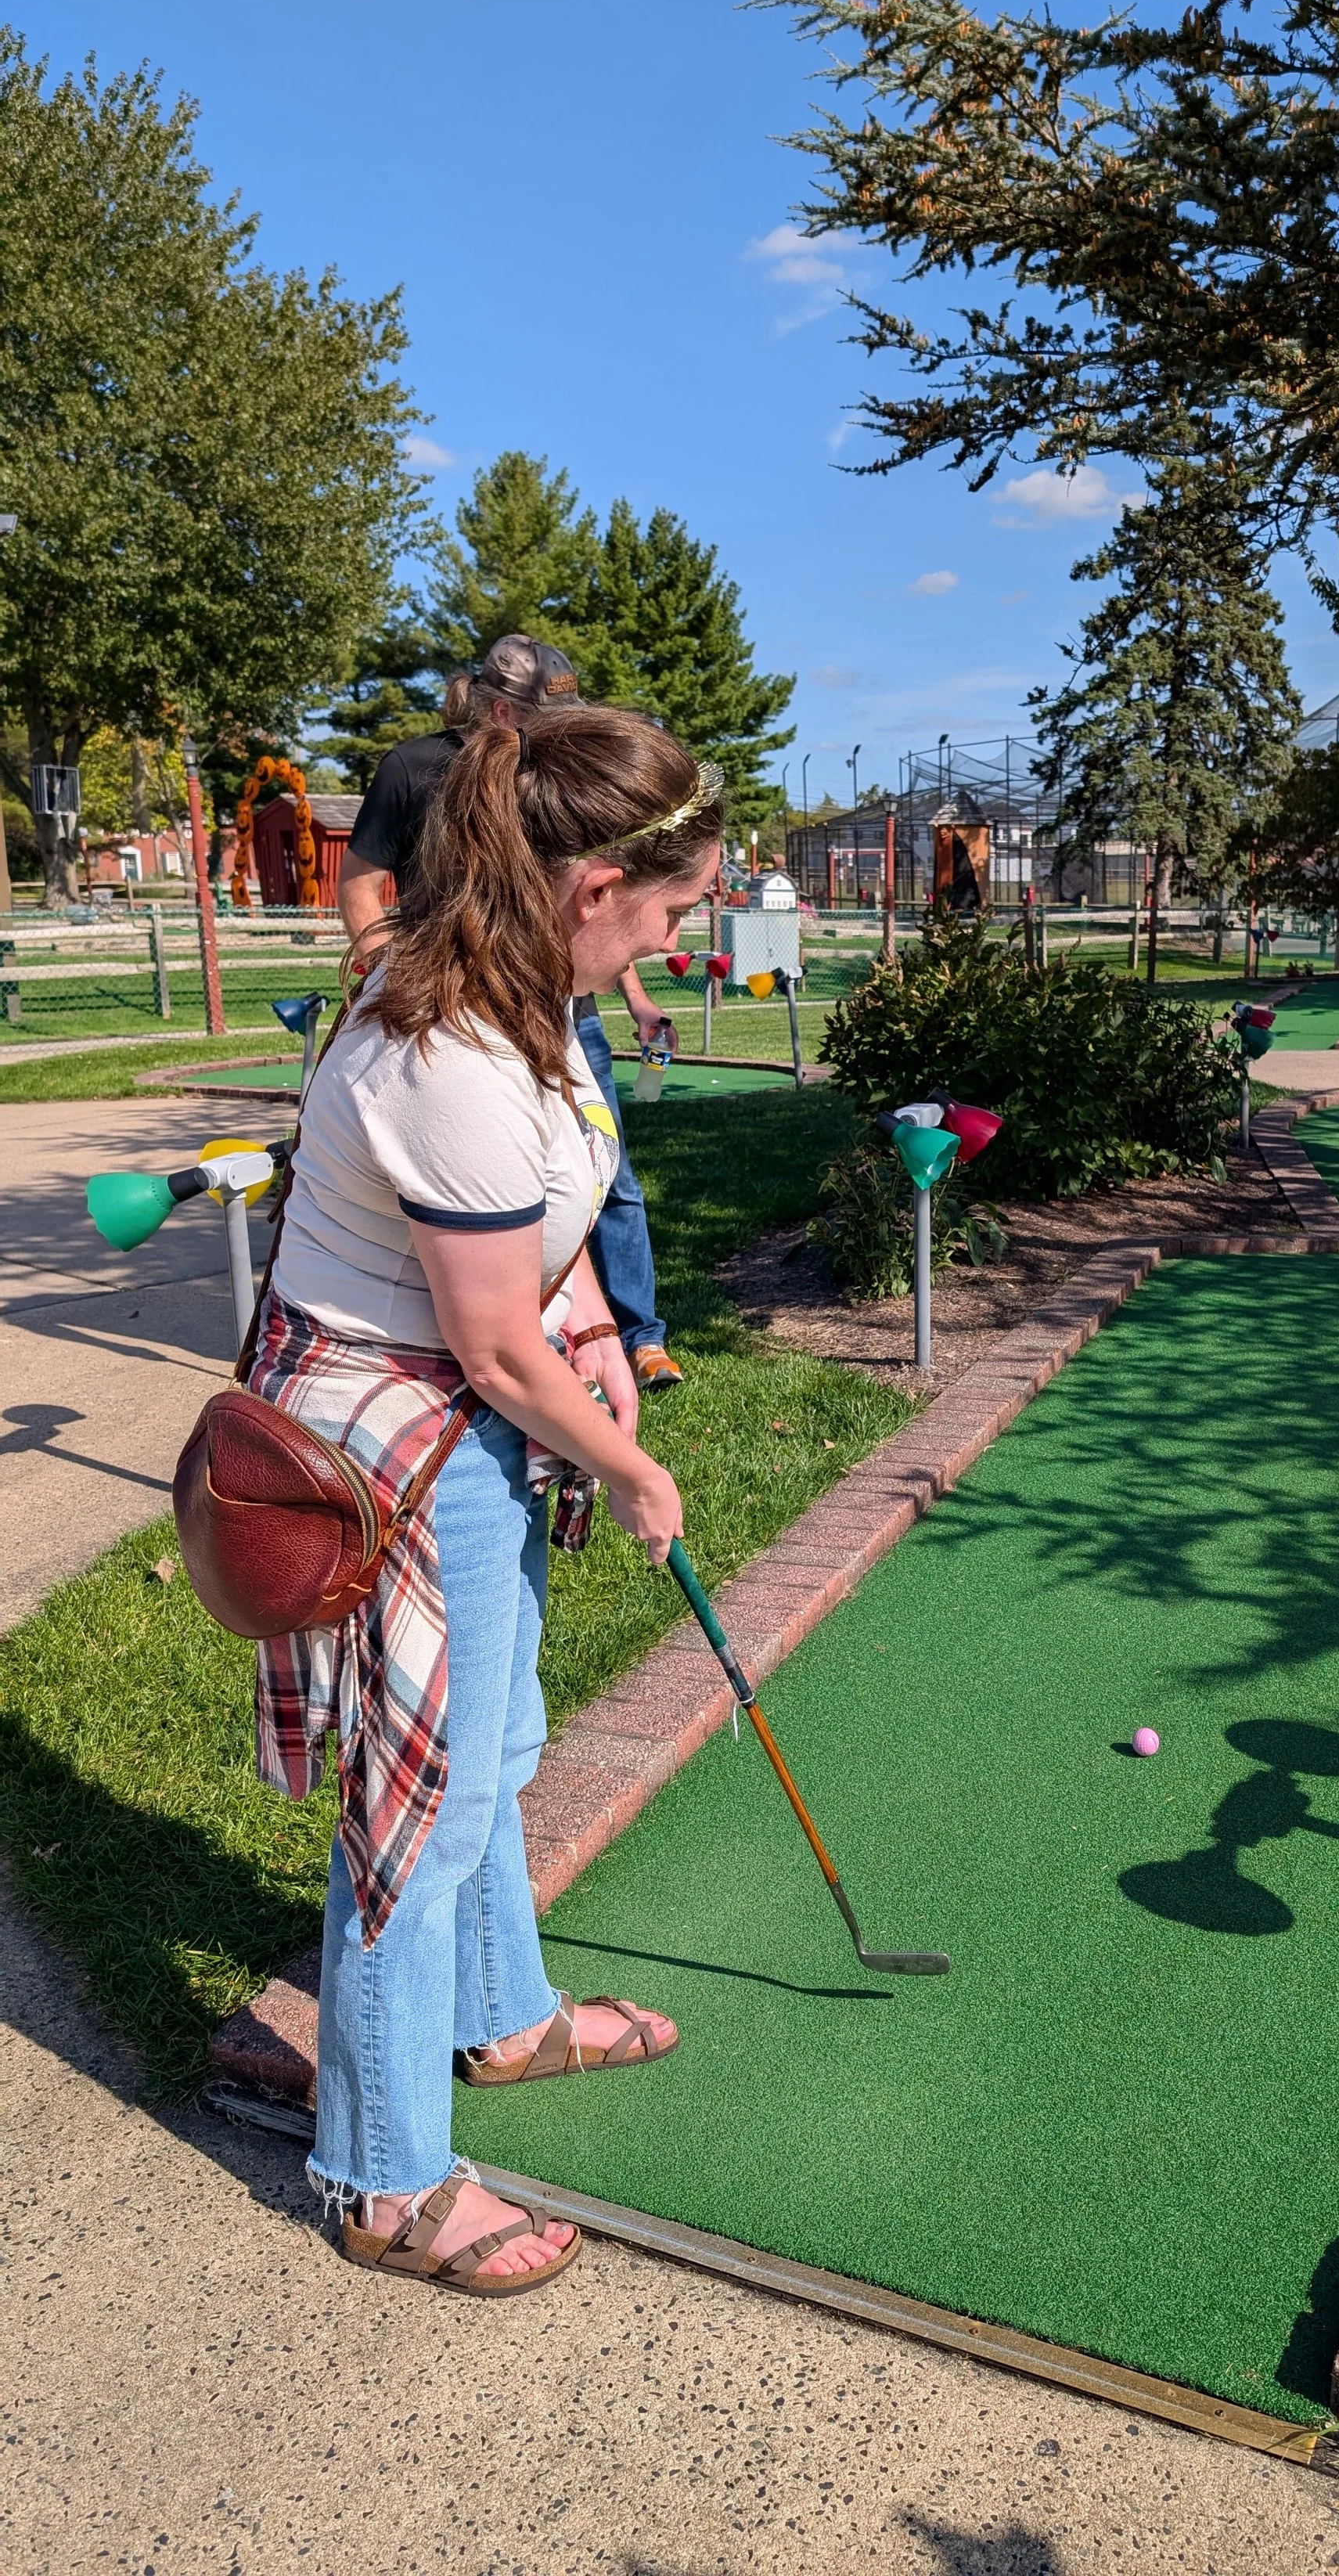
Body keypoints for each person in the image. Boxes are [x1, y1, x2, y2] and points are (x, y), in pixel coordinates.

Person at [257, 703, 722, 2294]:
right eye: (666, 912)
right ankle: (383, 2177)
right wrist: (629, 1455)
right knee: (419, 1809)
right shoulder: (447, 1045)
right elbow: (485, 1339)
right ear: (591, 884)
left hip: (475, 1410)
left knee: (496, 1748)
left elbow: (549, 1237)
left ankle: (503, 2021)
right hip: (407, 1426)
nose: (670, 939)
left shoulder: (525, 998)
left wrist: (593, 1339)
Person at [340, 635, 686, 1393]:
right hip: (455, 1010)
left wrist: (633, 996)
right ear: (501, 710)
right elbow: (361, 886)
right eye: (546, 715)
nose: (561, 730)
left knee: (603, 1170)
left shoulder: (553, 781)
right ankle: (483, 1334)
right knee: (469, 1192)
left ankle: (631, 1332)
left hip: (560, 1005)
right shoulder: (414, 770)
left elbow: (603, 905)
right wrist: (388, 979)